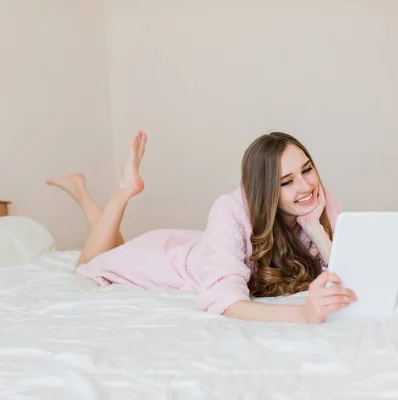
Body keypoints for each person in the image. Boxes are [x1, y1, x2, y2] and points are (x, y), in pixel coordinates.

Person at [46, 130, 356, 324]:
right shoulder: (230, 210)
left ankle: (82, 191)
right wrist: (301, 315)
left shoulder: (319, 200)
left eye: (307, 169)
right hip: (163, 260)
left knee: (110, 248)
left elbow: (349, 277)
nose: (305, 186)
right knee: (88, 265)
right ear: (265, 190)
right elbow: (223, 301)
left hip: (198, 245)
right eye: (287, 182)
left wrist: (314, 227)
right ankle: (120, 189)